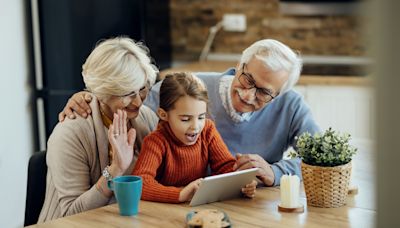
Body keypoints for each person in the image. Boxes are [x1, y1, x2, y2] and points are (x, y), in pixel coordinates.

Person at [58, 39, 320, 187]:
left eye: (264, 92)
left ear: (280, 93)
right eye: (247, 79)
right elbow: (126, 99)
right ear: (239, 64)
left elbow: (322, 162)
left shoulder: (291, 106)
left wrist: (276, 172)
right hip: (183, 205)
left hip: (250, 205)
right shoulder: (190, 86)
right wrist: (88, 97)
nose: (248, 95)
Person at [38, 37, 159, 222]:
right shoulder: (70, 134)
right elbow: (71, 215)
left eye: (142, 89)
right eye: (127, 94)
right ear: (102, 93)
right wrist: (115, 169)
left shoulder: (146, 117)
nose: (138, 101)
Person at [132, 72, 257, 203]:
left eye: (201, 117)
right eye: (185, 119)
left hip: (198, 206)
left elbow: (225, 166)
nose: (195, 127)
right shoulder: (156, 142)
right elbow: (140, 183)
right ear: (164, 115)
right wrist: (180, 194)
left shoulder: (207, 130)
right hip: (165, 210)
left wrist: (241, 182)